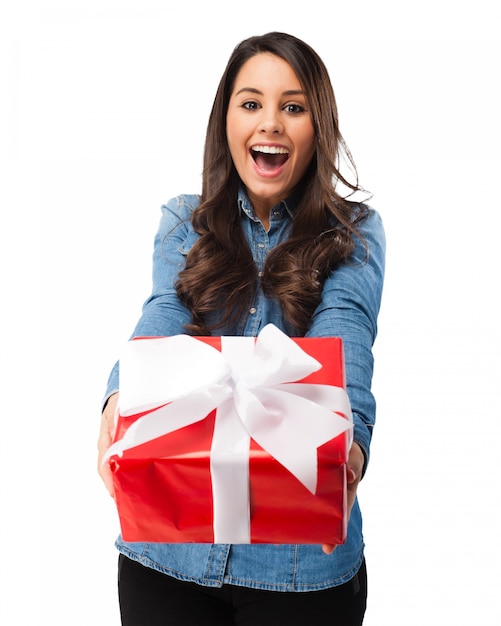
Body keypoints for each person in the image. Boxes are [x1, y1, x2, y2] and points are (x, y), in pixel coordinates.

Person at [97, 31, 385, 626]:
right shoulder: (186, 220)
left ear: (317, 125)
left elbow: (343, 333)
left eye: (294, 106)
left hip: (302, 570)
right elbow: (165, 313)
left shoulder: (354, 232)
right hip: (166, 556)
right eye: (251, 103)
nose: (270, 123)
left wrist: (348, 447)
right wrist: (120, 398)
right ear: (225, 119)